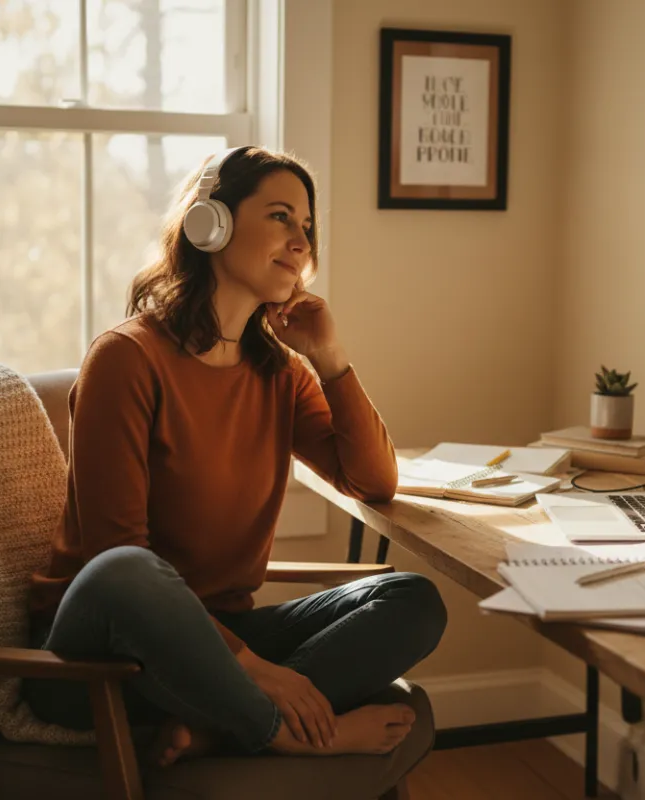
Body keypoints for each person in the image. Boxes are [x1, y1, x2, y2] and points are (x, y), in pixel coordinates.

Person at [23, 146, 447, 767]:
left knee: (412, 601)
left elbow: (375, 483)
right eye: (280, 216)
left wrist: (329, 360)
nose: (301, 241)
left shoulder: (278, 371)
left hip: (219, 632)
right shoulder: (126, 359)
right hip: (100, 654)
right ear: (210, 224)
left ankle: (214, 733)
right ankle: (275, 729)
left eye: (307, 226)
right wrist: (257, 672)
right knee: (127, 570)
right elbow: (115, 555)